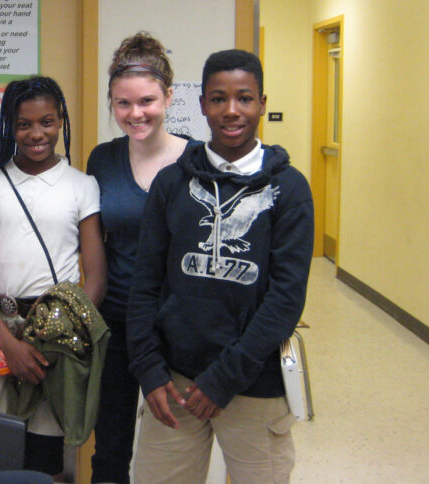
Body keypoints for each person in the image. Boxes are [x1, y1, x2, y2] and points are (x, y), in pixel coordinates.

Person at [126, 49, 314, 484]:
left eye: (244, 98)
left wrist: (224, 379)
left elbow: (286, 300)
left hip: (253, 382)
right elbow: (145, 283)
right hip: (173, 383)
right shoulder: (172, 183)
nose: (231, 110)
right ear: (202, 105)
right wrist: (149, 369)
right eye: (218, 98)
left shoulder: (289, 189)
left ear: (262, 104)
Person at [0, 76, 107, 479]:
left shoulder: (82, 185)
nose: (36, 134)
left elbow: (96, 276)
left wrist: (63, 331)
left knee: (46, 455)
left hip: (56, 339)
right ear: (10, 126)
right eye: (24, 124)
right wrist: (8, 344)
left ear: (60, 121)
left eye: (46, 122)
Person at [85, 31, 190, 484]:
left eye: (147, 101)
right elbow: (95, 245)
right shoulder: (103, 160)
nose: (135, 113)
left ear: (168, 97)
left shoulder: (197, 161)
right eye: (122, 104)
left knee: (175, 445)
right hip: (118, 322)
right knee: (109, 448)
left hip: (177, 327)